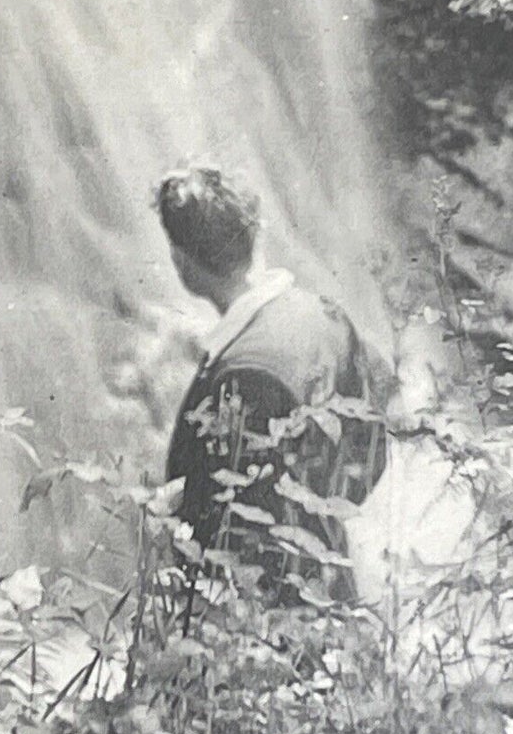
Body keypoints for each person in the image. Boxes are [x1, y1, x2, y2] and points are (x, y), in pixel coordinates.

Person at [155, 165, 387, 598]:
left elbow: (227, 534)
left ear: (182, 261)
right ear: (254, 235)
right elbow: (370, 455)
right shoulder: (325, 317)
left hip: (267, 621)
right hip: (332, 586)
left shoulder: (243, 377)